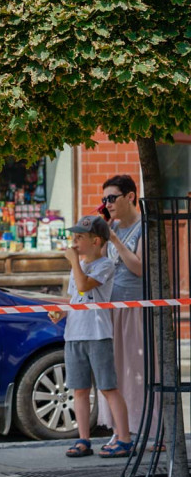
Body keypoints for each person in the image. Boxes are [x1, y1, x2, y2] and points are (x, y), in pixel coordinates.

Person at [49, 214, 132, 459]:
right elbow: (76, 297)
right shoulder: (78, 267)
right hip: (75, 333)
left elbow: (85, 286)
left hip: (97, 334)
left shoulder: (104, 265)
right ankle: (83, 438)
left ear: (96, 241)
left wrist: (74, 262)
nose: (74, 243)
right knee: (79, 389)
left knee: (108, 387)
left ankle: (124, 438)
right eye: (73, 237)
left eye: (79, 238)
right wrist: (61, 311)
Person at [97, 175, 152, 443]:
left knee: (138, 371)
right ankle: (122, 429)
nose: (107, 204)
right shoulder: (112, 226)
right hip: (112, 308)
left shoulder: (144, 227)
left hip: (135, 309)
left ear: (130, 196)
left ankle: (151, 431)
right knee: (116, 371)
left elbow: (140, 268)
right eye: (104, 199)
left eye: (112, 198)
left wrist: (114, 239)